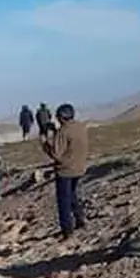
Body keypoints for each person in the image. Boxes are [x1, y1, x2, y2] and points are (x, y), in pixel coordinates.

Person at [40, 103, 88, 241]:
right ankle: (80, 219)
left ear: (61, 117)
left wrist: (44, 141)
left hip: (66, 170)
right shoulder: (80, 127)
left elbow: (56, 154)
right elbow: (70, 145)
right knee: (72, 195)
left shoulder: (64, 131)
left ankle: (67, 230)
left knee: (64, 202)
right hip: (80, 167)